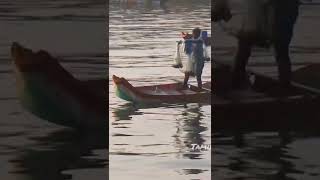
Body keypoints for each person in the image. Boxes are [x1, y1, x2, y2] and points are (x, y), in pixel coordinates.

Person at [232, 0, 300, 90]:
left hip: (270, 19)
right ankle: (285, 84)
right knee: (282, 53)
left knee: (244, 46)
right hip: (280, 18)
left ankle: (236, 80)